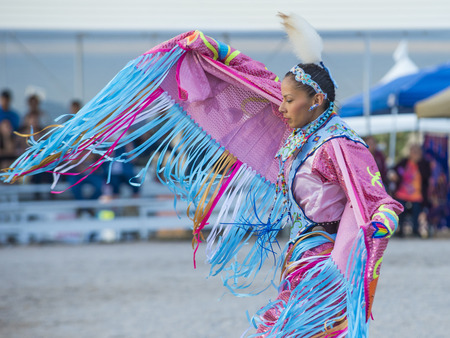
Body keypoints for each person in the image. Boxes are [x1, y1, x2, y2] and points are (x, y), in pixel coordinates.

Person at [0, 16, 404, 337]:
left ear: (317, 102)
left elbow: (373, 198)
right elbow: (252, 81)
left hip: (326, 265)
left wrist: (380, 223)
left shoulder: (337, 145)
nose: (280, 107)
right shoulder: (302, 134)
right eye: (281, 98)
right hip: (301, 259)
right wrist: (212, 51)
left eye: (289, 101)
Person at [391, 144, 431, 237]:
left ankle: (415, 229)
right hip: (402, 193)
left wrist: (418, 163)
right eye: (413, 151)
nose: (415, 154)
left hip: (417, 195)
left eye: (417, 151)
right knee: (400, 207)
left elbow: (427, 177)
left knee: (417, 209)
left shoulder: (424, 163)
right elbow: (393, 170)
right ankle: (400, 229)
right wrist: (393, 176)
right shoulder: (404, 162)